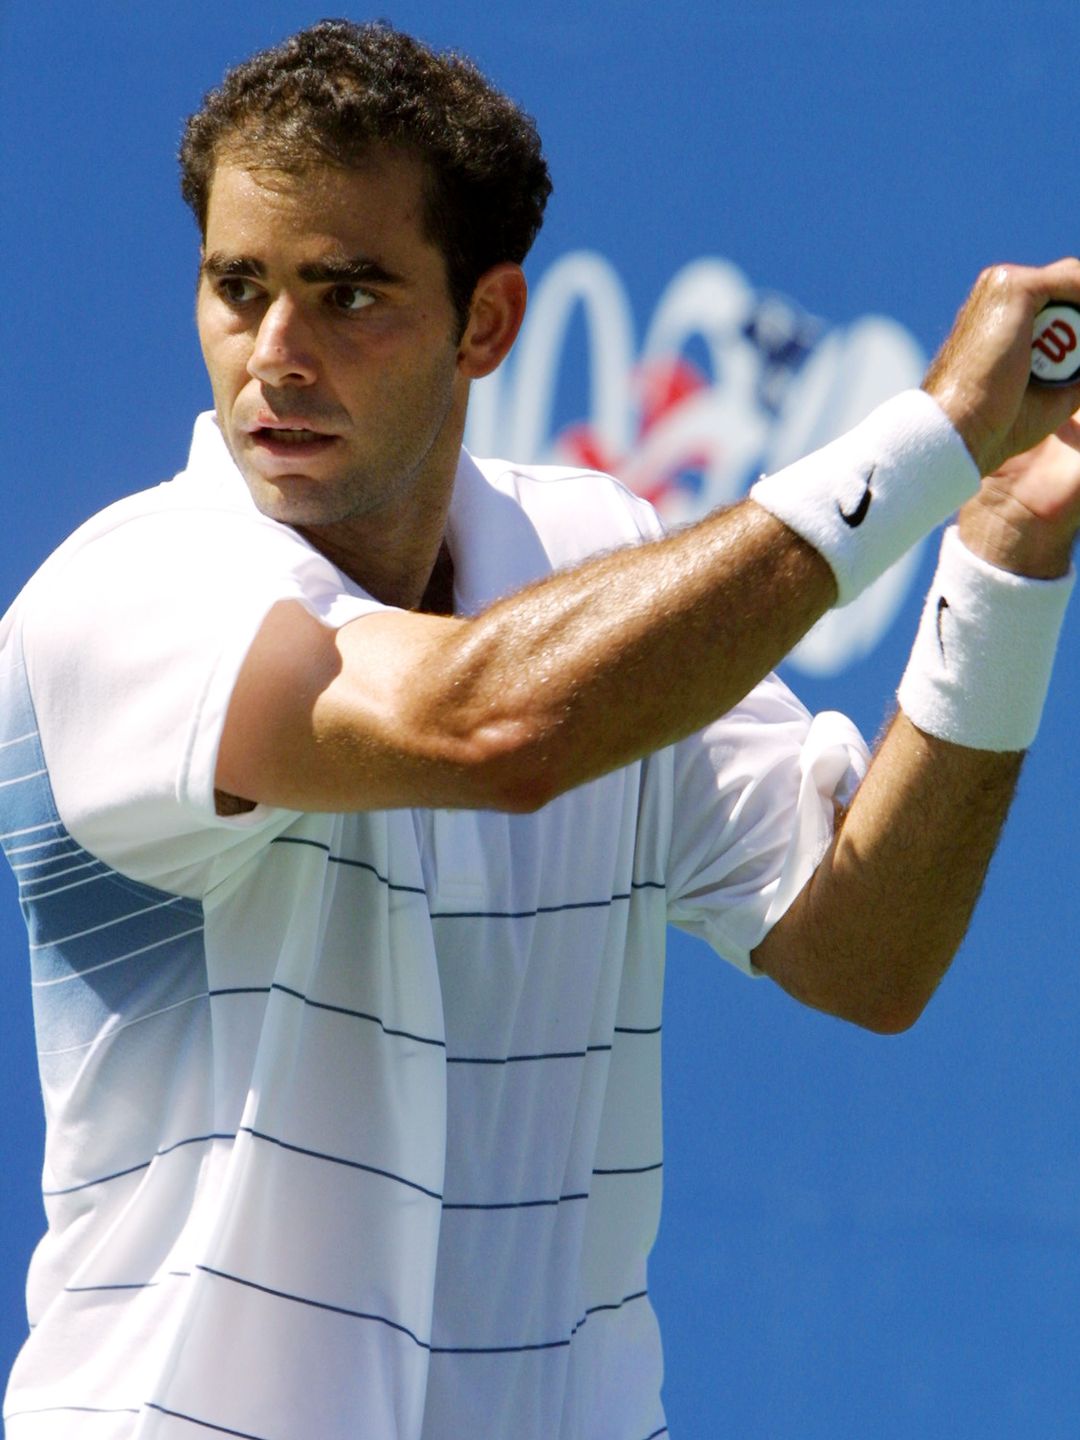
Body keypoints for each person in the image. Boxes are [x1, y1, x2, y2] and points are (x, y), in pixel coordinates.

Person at [2, 18, 1079, 1440]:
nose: (277, 354)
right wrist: (937, 434)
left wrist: (1002, 548)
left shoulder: (590, 560)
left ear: (488, 322)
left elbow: (863, 951)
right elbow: (494, 728)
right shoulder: (119, 598)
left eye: (348, 294)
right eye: (237, 286)